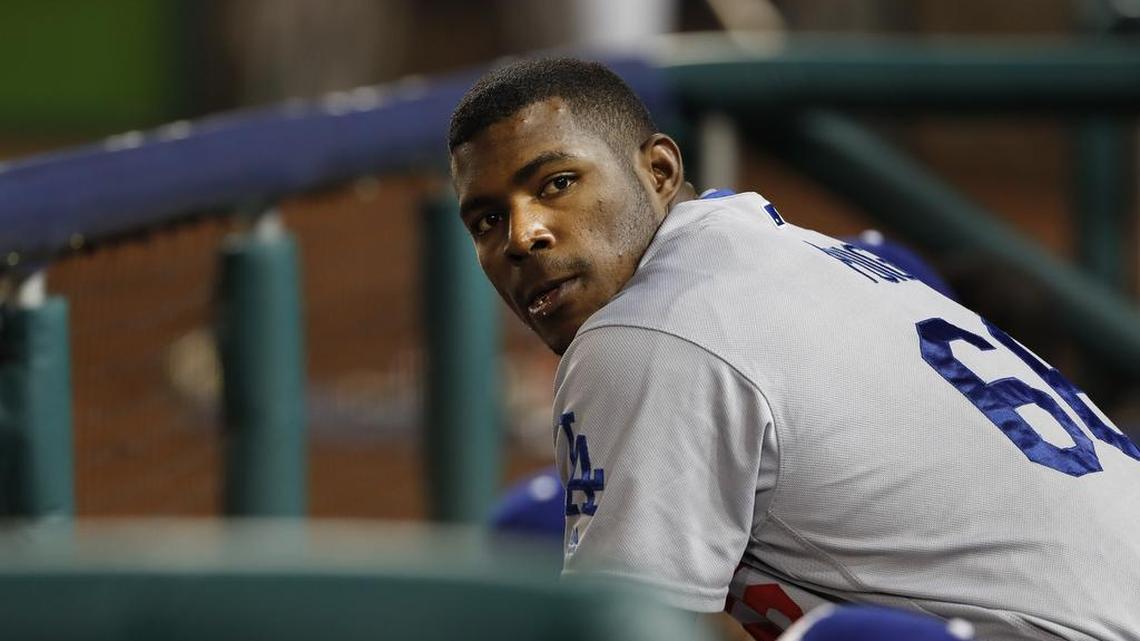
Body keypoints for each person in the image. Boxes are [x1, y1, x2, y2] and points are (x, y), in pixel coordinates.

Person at [447, 57, 1140, 641]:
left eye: (557, 183)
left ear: (659, 170)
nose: (522, 234)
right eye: (486, 220)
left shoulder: (646, 334)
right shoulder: (778, 252)